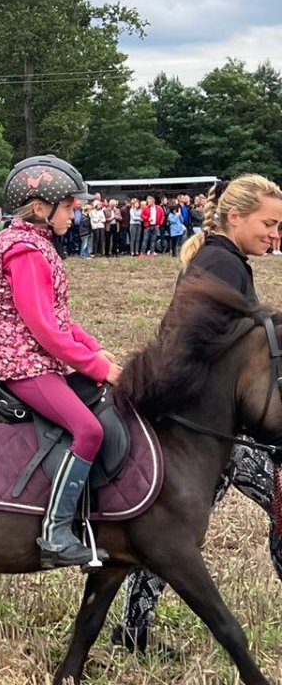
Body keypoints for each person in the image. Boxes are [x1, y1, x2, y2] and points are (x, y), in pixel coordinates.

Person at [112, 174, 282, 652]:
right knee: (173, 534)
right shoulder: (221, 265)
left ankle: (132, 631)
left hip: (208, 425)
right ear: (235, 217)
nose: (276, 235)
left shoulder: (224, 260)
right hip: (202, 428)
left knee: (170, 536)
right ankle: (132, 631)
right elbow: (189, 352)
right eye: (269, 224)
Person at [0, 155, 122, 569]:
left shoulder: (37, 244)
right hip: (26, 365)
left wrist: (92, 347)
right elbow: (44, 329)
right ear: (41, 209)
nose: (76, 212)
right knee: (88, 430)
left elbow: (59, 317)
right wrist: (97, 368)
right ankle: (55, 533)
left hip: (41, 361)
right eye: (70, 206)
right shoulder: (24, 250)